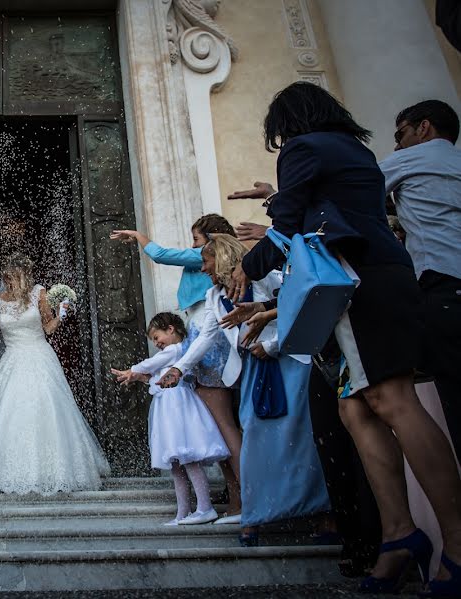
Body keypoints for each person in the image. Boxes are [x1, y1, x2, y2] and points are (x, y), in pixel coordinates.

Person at [231, 82, 461, 596]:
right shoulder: (353, 150)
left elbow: (285, 226)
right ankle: (400, 537)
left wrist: (244, 269)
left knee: (393, 401)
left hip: (359, 280)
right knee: (355, 409)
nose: (280, 141)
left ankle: (458, 547)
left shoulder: (303, 147)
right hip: (379, 276)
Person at [160, 234, 329, 546]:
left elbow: (297, 307)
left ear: (222, 258)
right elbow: (207, 336)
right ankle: (260, 513)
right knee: (255, 436)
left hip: (287, 362)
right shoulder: (214, 295)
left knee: (298, 436)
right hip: (253, 367)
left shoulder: (265, 278)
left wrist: (272, 344)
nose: (203, 269)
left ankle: (319, 514)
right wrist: (178, 368)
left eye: (206, 262)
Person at [110, 214, 243, 524]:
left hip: (207, 346)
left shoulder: (206, 264)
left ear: (212, 242)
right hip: (202, 337)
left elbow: (161, 254)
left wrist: (139, 236)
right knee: (222, 427)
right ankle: (236, 499)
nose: (196, 251)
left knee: (224, 427)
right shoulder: (212, 293)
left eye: (197, 241)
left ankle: (244, 500)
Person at [0, 253, 110, 494]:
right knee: (10, 412)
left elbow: (48, 327)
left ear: (24, 276)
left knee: (46, 409)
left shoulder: (39, 294)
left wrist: (61, 315)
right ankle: (8, 473)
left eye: (14, 278)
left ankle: (52, 471)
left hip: (40, 357)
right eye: (7, 278)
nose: (10, 282)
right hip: (12, 360)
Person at [379, 99, 461, 456]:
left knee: (457, 397)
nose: (397, 145)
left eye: (401, 135)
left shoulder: (410, 159)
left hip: (444, 286)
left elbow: (355, 194)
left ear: (423, 127)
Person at [111, 312, 229, 525]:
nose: (157, 343)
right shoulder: (173, 354)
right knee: (177, 464)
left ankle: (205, 507)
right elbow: (157, 380)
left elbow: (152, 363)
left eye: (157, 337)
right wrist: (140, 377)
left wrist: (132, 370)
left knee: (188, 457)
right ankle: (182, 513)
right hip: (168, 410)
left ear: (171, 329)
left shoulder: (176, 349)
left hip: (178, 409)